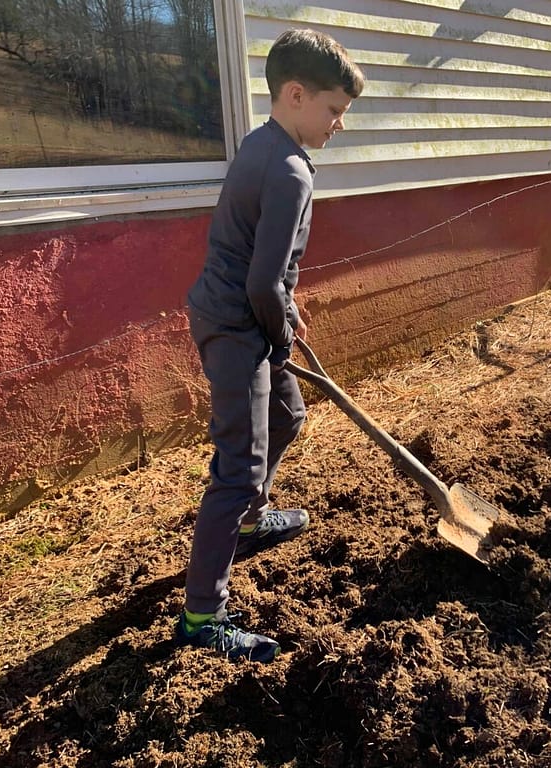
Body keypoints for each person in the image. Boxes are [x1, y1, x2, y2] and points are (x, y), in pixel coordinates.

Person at [176, 29, 364, 663]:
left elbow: (265, 265)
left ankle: (254, 518)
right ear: (295, 94)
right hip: (237, 328)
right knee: (237, 469)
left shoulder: (261, 145)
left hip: (239, 311)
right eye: (334, 109)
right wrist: (277, 332)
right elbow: (260, 279)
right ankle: (203, 615)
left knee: (287, 414)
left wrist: (285, 305)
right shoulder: (289, 171)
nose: (338, 123)